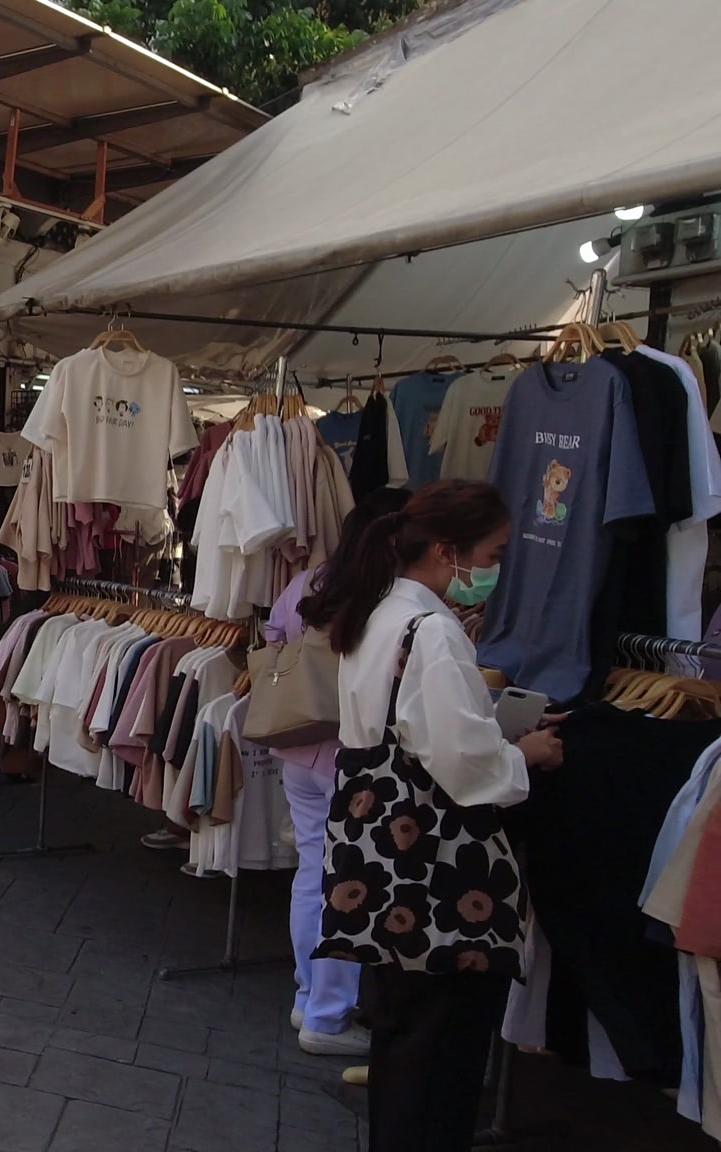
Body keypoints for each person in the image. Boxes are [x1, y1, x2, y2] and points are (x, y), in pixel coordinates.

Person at [320, 479, 562, 1152]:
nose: (497, 567)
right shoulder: (432, 631)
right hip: (437, 872)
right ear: (448, 551)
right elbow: (463, 763)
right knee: (444, 1048)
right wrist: (524, 751)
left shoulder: (375, 613)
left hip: (381, 860)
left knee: (402, 1036)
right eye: (495, 552)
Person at [262, 487, 409, 1057]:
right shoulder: (389, 599)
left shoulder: (314, 582)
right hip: (355, 753)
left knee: (311, 875)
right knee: (348, 883)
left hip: (299, 745)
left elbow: (274, 637)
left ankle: (309, 995)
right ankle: (326, 1015)